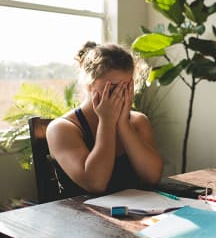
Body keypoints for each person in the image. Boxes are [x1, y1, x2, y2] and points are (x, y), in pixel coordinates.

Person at [46, 42, 163, 197]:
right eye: (113, 88)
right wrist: (107, 122)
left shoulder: (138, 122)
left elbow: (152, 177)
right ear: (89, 85)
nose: (120, 94)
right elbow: (95, 184)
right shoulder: (61, 128)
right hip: (81, 217)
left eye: (126, 87)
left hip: (135, 214)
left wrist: (123, 125)